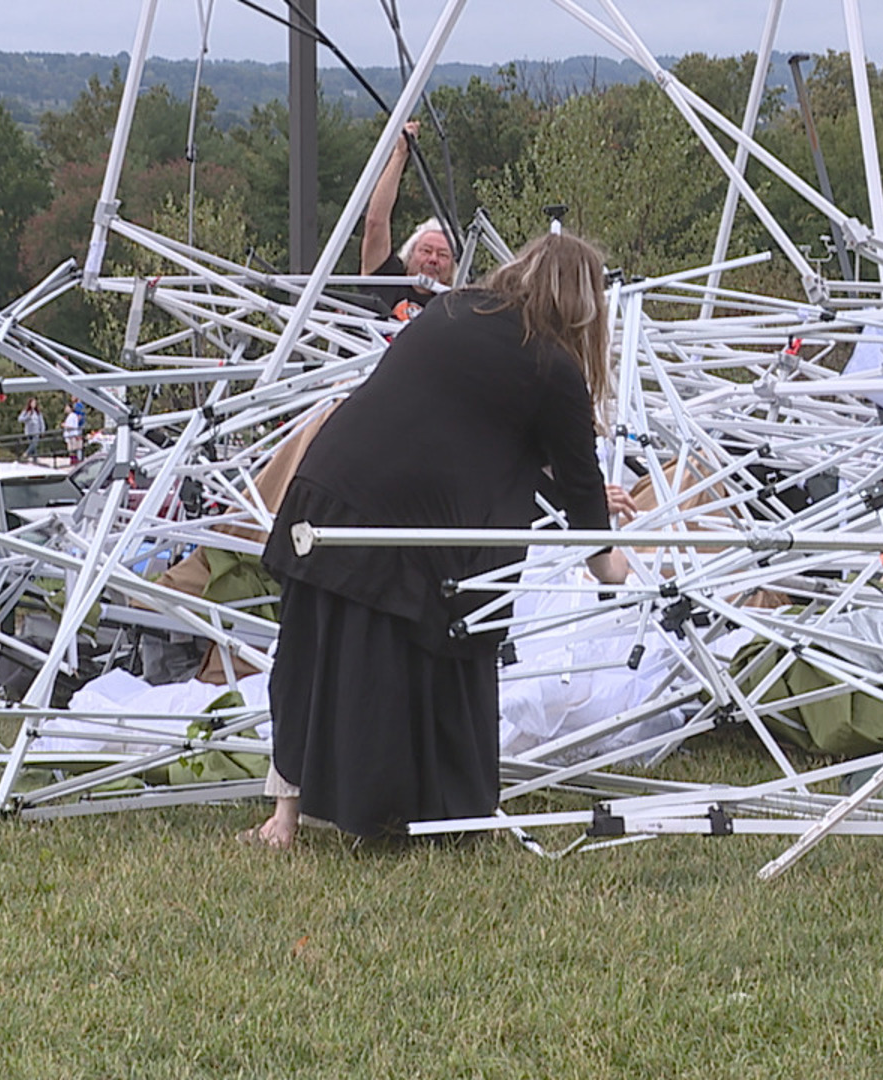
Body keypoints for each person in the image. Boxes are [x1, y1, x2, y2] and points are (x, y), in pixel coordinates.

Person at [246, 231, 630, 848]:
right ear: (583, 307)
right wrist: (614, 565)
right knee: (403, 661)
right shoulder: (552, 367)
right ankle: (393, 813)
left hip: (325, 492)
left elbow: (463, 435)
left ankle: (283, 818)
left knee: (310, 654)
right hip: (409, 532)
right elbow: (580, 495)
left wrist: (572, 501)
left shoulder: (449, 311)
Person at [359, 121, 453, 321]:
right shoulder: (387, 278)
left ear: (453, 268)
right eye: (426, 251)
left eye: (443, 255)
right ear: (410, 256)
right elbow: (376, 222)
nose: (433, 259)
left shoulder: (454, 307)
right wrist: (400, 154)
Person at [20, 398, 46, 463]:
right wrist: (27, 416)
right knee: (32, 446)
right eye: (32, 403)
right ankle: (35, 460)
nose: (34, 404)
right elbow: (20, 419)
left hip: (36, 431)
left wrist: (42, 430)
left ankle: (26, 454)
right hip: (29, 431)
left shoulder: (38, 412)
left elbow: (41, 422)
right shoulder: (25, 412)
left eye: (35, 403)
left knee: (34, 444)